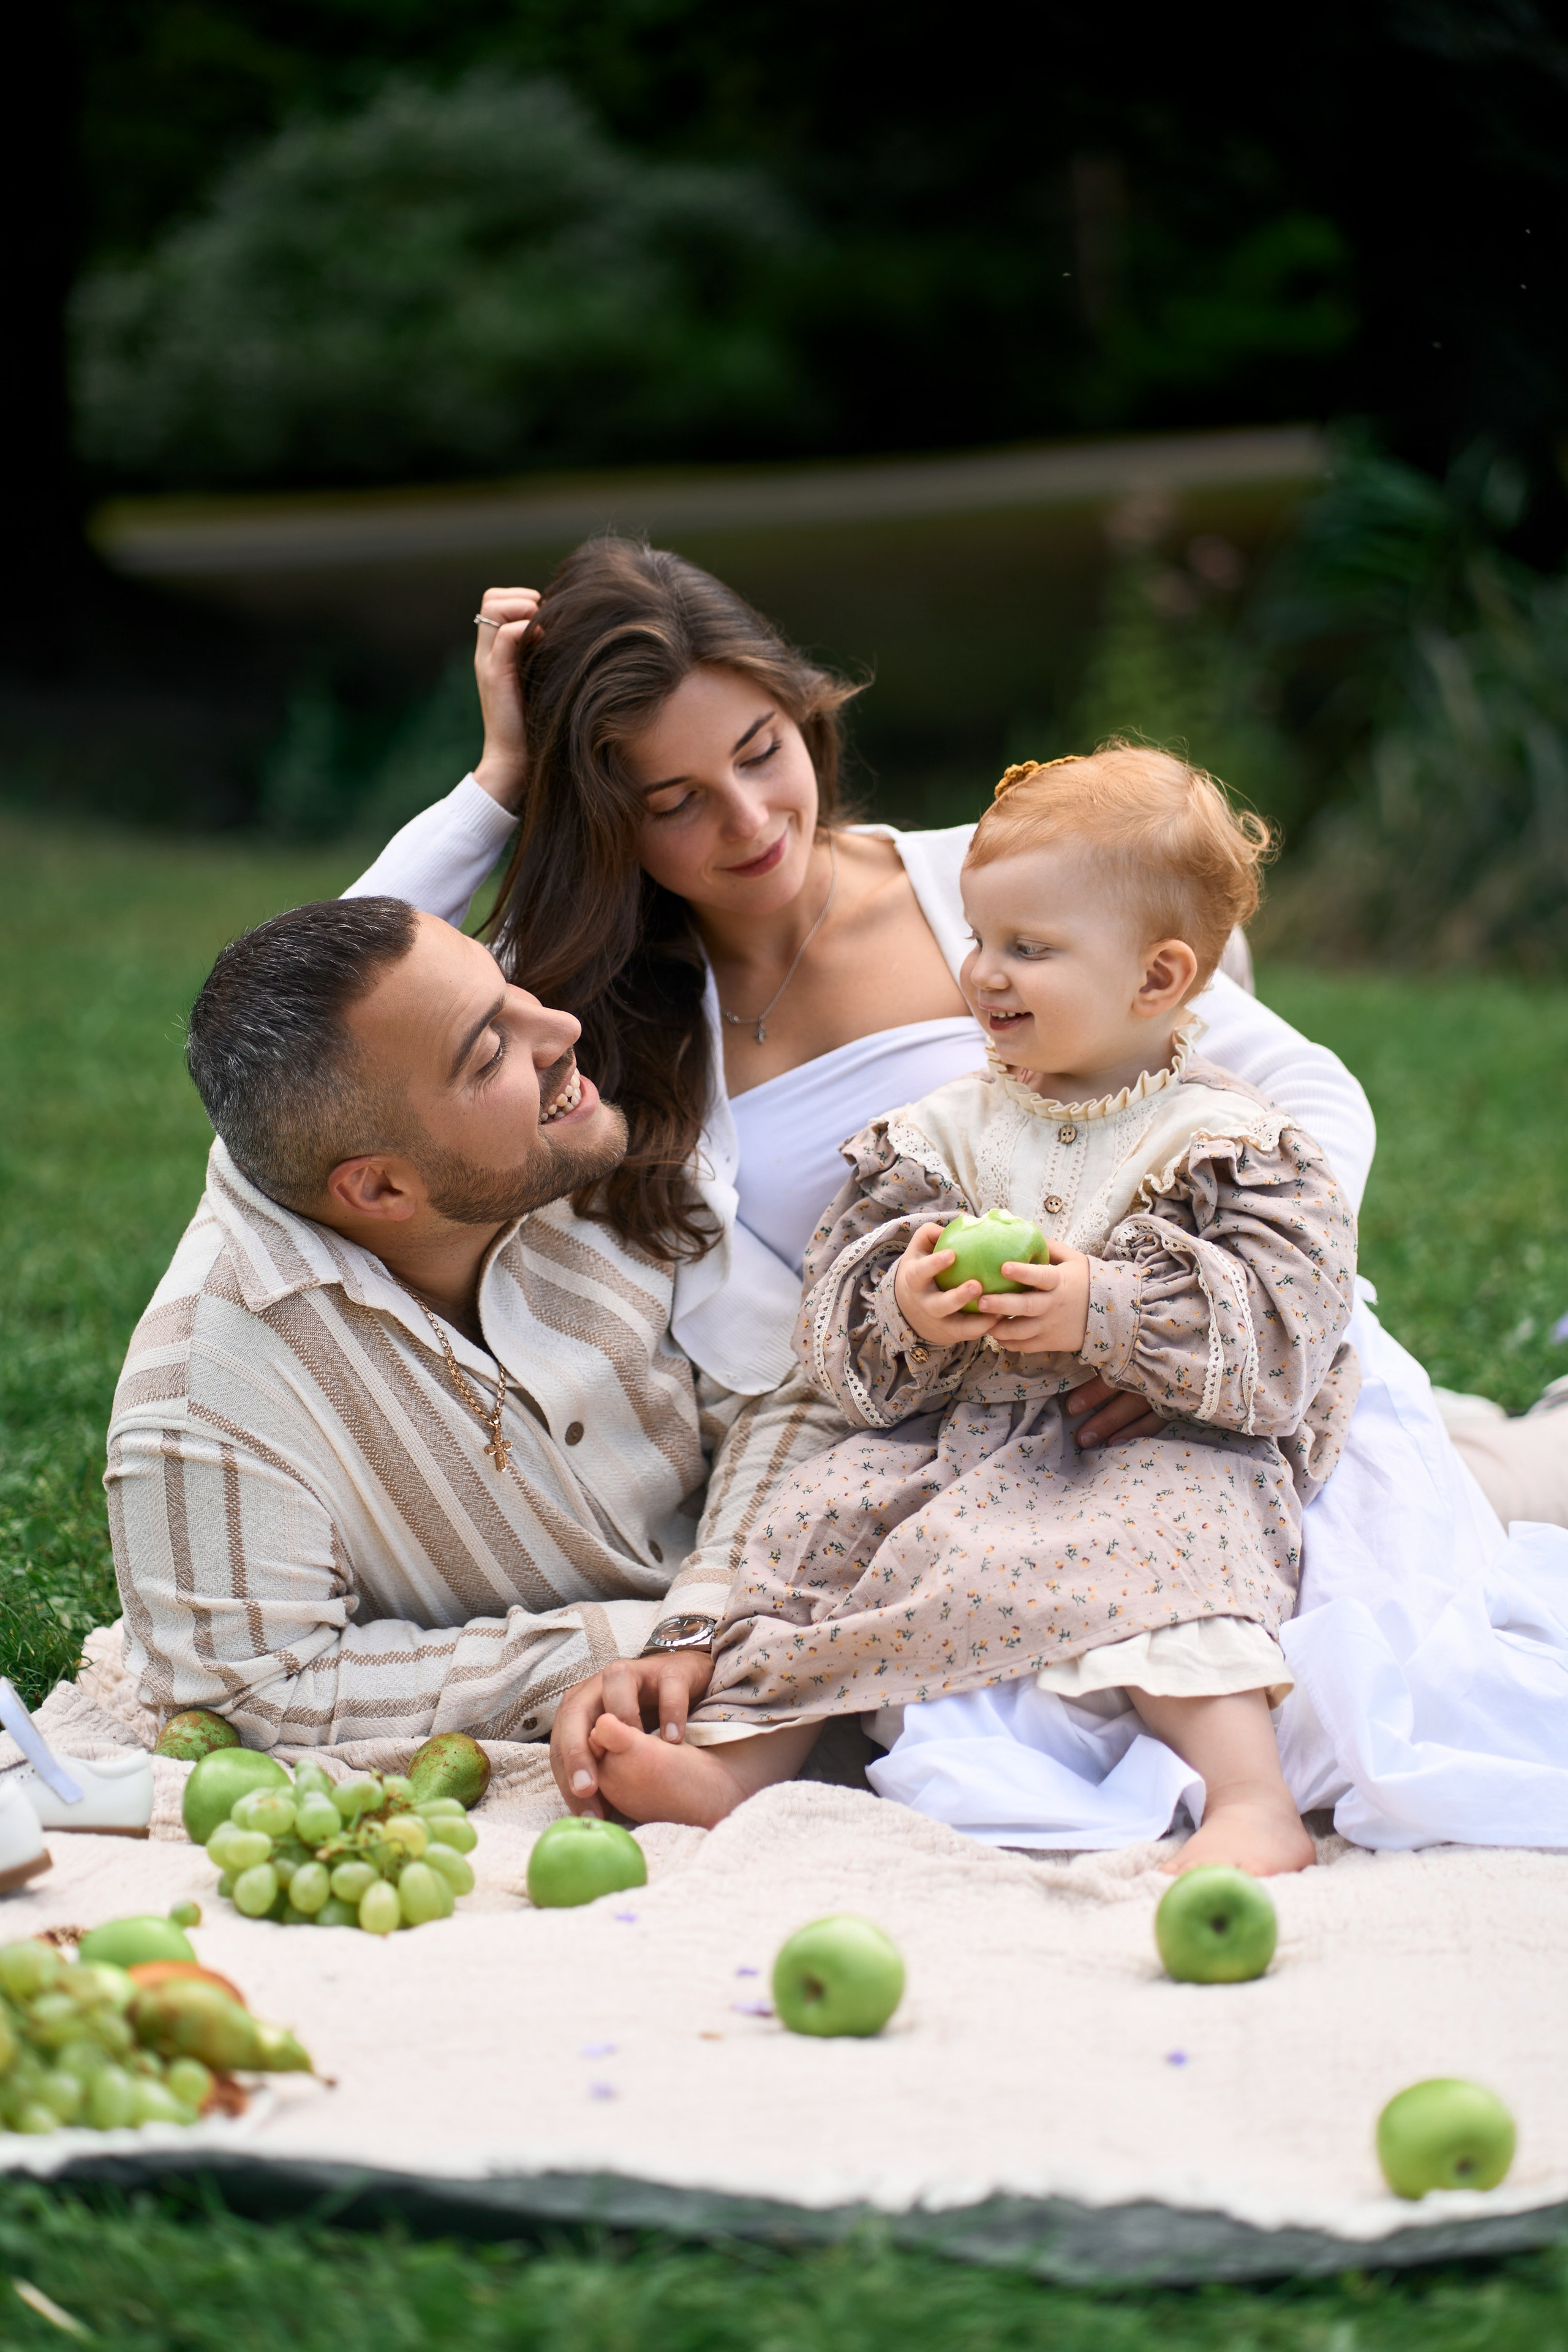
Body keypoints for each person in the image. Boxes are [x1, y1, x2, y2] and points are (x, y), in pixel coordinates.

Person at [345, 540, 1386, 1826]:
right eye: (669, 801)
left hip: (1176, 1384)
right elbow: (332, 1024)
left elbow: (1311, 1108)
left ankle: (1242, 1790)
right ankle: (754, 1763)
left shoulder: (994, 891)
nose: (746, 820)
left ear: (803, 713)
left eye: (757, 750)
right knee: (876, 1615)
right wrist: (502, 782)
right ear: (606, 818)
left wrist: (1158, 1318)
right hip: (914, 1414)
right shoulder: (602, 1009)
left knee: (1322, 1670)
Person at [578, 748, 1360, 1874]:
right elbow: (835, 1303)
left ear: (1157, 978)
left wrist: (1109, 1310)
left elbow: (1290, 1320)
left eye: (1029, 951)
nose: (984, 974)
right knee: (823, 1519)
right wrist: (907, 1303)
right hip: (960, 1436)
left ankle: (1251, 1800)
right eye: (982, 940)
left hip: (1143, 1435)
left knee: (1176, 1537)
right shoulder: (946, 1131)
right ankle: (745, 1762)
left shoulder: (1227, 1142)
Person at [105, 897, 845, 1746]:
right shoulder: (205, 1389)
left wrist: (707, 1609)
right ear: (380, 1190)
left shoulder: (590, 1149)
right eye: (491, 1053)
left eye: (510, 987)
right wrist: (625, 1646)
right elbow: (252, 1696)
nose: (562, 1026)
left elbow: (788, 1387)